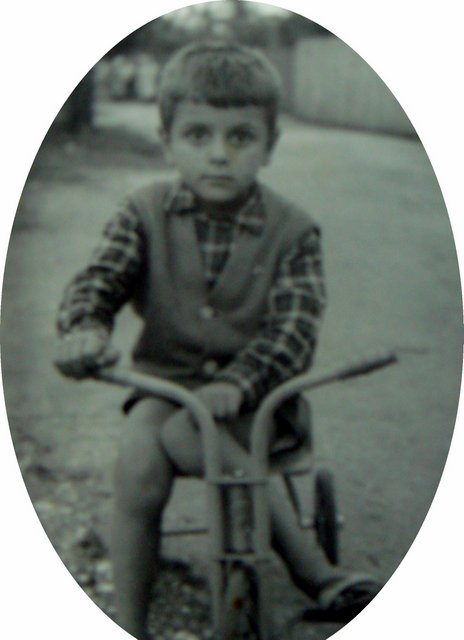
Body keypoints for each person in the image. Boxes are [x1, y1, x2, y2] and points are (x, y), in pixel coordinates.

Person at [55, 41, 381, 640]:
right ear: (167, 140)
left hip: (260, 402)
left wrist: (240, 380)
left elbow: (294, 329)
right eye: (198, 135)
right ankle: (129, 622)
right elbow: (100, 279)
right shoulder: (142, 212)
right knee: (138, 464)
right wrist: (84, 328)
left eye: (241, 137)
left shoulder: (294, 231)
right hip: (166, 389)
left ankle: (310, 570)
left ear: (270, 145)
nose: (219, 154)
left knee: (187, 430)